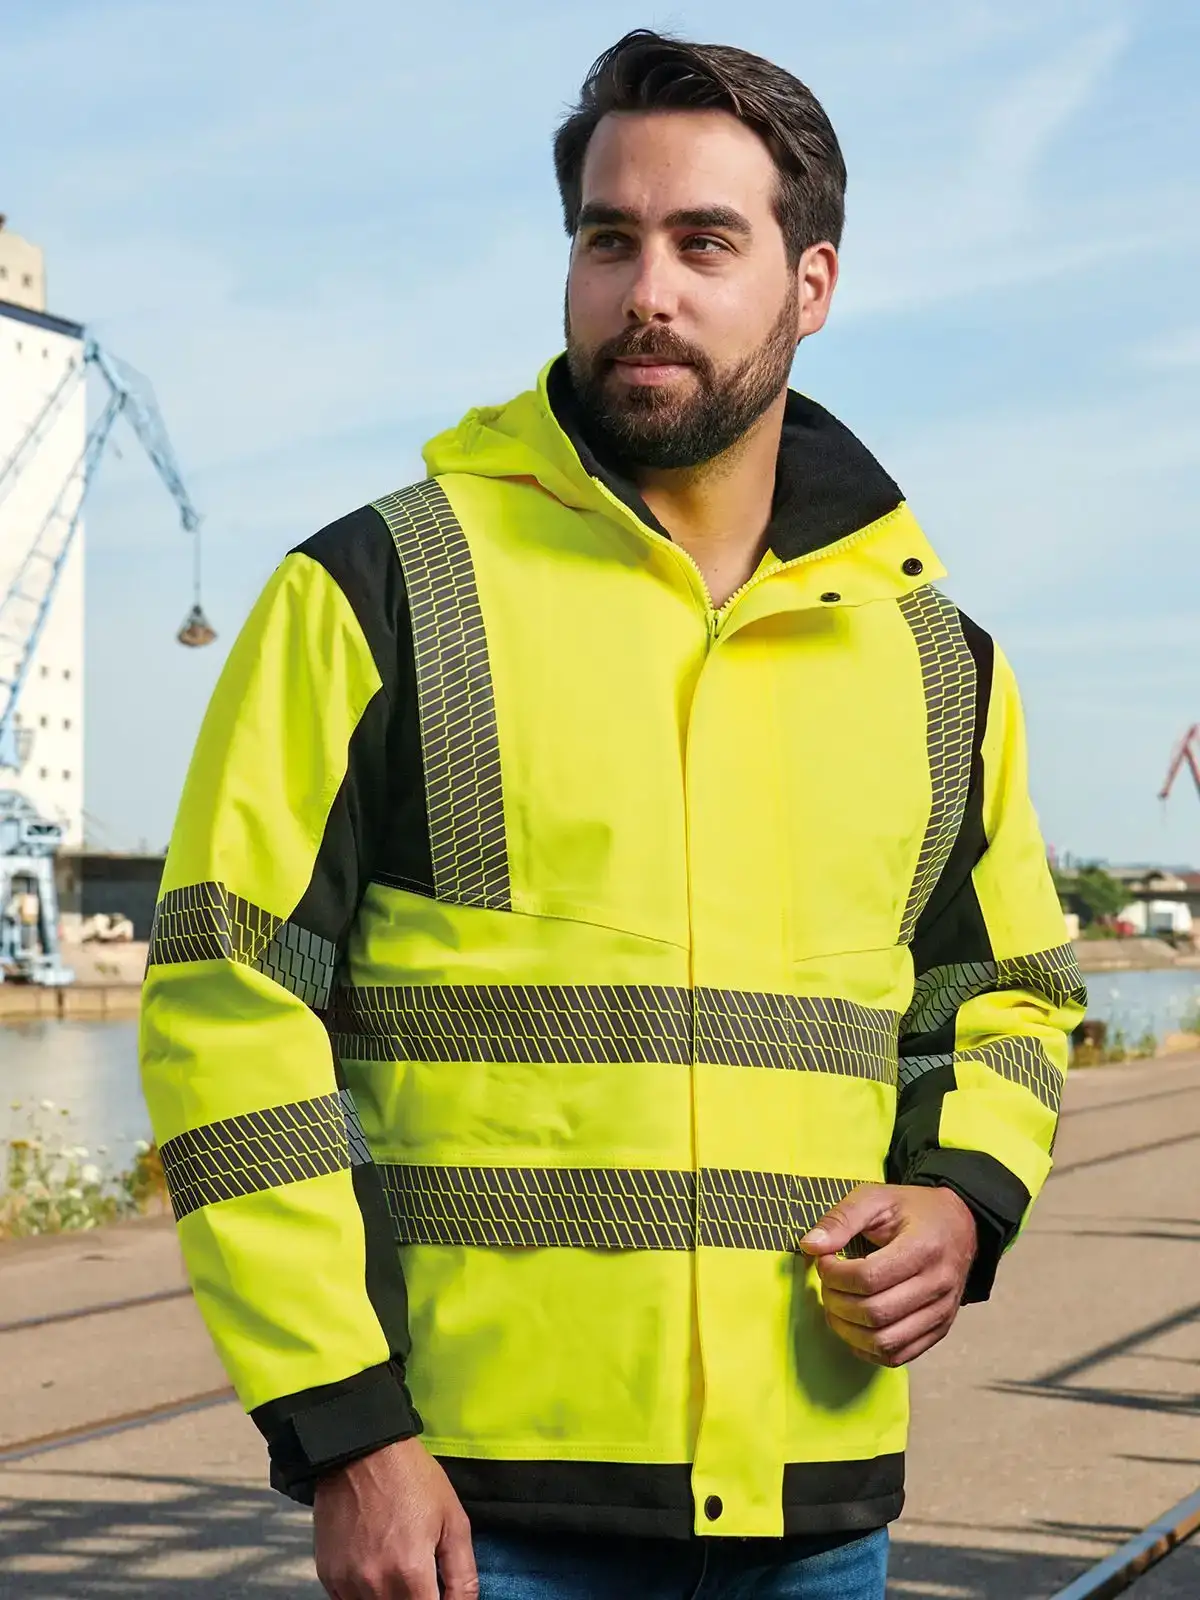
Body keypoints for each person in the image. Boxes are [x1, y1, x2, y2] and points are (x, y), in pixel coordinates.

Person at [140, 28, 1085, 1600]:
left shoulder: (939, 661)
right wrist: (347, 1433)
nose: (647, 290)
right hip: (470, 1514)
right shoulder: (379, 591)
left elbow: (1004, 992)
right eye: (607, 239)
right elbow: (226, 1014)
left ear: (811, 284)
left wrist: (962, 1200)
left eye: (706, 243)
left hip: (811, 1508)